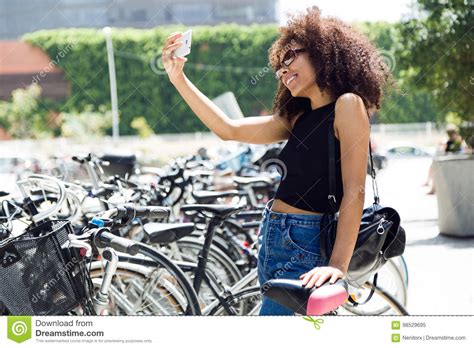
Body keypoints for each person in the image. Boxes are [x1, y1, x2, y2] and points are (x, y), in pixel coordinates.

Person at [162, 6, 393, 315]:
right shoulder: (297, 116)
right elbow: (227, 129)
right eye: (279, 67)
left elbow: (355, 190)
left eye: (290, 58)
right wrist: (179, 79)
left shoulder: (347, 106)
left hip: (305, 242)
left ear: (321, 51)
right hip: (273, 236)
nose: (283, 71)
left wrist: (337, 267)